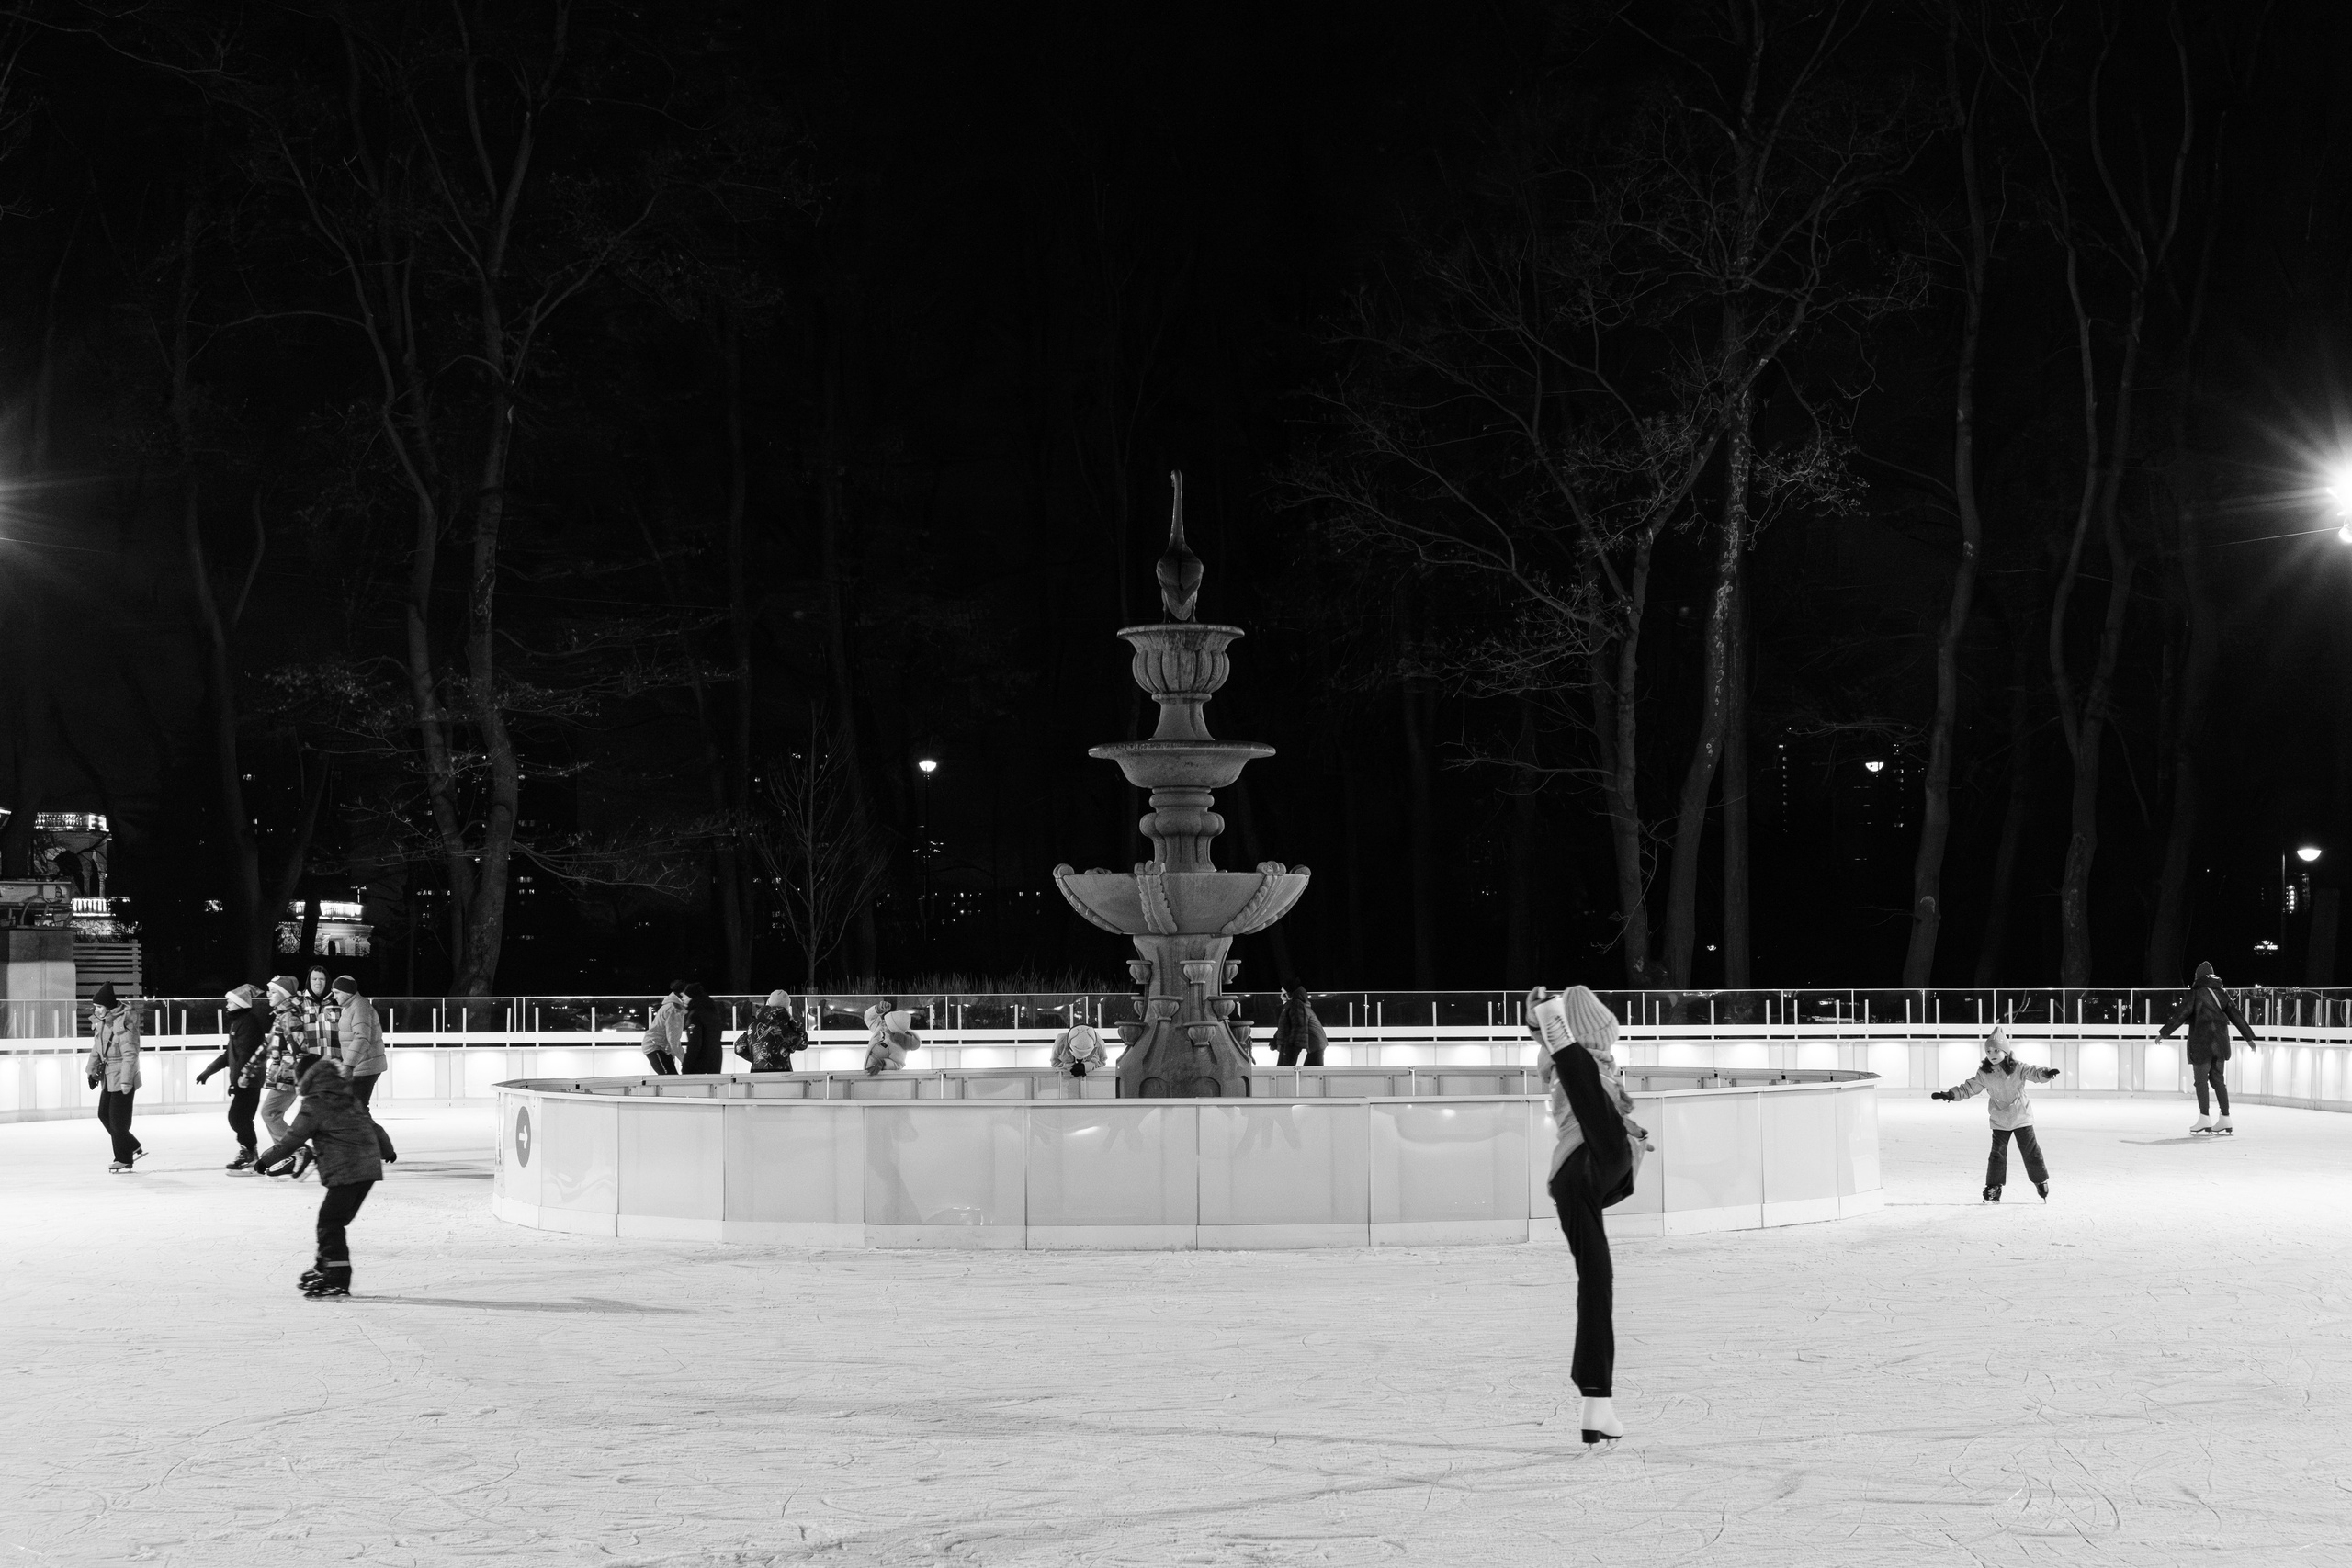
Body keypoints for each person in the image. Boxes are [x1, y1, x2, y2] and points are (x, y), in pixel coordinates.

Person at [1530, 984, 1648, 1448]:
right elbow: (1578, 1066)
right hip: (1594, 1158)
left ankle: (1597, 1400)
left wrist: (1537, 1023)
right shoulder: (1583, 1068)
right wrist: (1551, 1025)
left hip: (1573, 1179)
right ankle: (1596, 1399)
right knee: (1580, 1076)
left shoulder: (1582, 1071)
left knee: (1597, 1281)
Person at [254, 1058, 386, 1298]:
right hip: (368, 1170)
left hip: (347, 1170)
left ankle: (336, 1277)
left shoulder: (315, 1104)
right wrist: (387, 1150)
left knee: (330, 1222)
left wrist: (264, 1160)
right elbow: (374, 1128)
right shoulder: (348, 1098)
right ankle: (326, 1265)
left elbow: (291, 1141)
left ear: (304, 1080)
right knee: (333, 1222)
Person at [1931, 1027, 2063, 1201]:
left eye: (1996, 1050)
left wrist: (2045, 1073)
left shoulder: (2018, 1068)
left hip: (2021, 1117)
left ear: (2005, 1051)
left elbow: (2034, 1072)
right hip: (1999, 1119)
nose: (1991, 1054)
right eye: (1988, 1051)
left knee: (2031, 1151)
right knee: (1997, 1153)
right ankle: (1994, 1186)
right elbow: (1969, 1088)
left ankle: (2040, 1180)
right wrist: (1951, 1094)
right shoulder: (1985, 1073)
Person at [2159, 961, 2259, 1135]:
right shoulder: (2222, 994)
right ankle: (2225, 1117)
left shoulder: (2196, 993)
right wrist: (2249, 1038)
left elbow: (2181, 1014)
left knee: (2200, 1081)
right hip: (2220, 1045)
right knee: (2218, 1079)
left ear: (2198, 977)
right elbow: (2237, 1015)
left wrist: (2164, 1033)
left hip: (2201, 1044)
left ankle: (2204, 1117)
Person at [196, 983, 270, 1169]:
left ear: (239, 1003)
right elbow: (230, 1054)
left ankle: (250, 1152)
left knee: (238, 1118)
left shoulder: (248, 1022)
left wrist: (238, 1081)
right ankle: (249, 1151)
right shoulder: (240, 1022)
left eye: (230, 1001)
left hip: (249, 1080)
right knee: (241, 1118)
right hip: (245, 1079)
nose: (227, 1004)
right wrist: (208, 1071)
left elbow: (245, 1055)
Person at [258, 976, 321, 1176]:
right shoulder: (283, 1014)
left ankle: (297, 1151)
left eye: (273, 991)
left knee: (270, 1112)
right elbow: (269, 1045)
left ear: (284, 994)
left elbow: (300, 1048)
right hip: (284, 1074)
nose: (268, 995)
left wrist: (305, 1078)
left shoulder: (288, 1016)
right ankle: (290, 1155)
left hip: (288, 1076)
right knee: (271, 1113)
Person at [85, 984, 144, 1173]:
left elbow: (130, 1054)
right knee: (104, 1114)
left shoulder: (125, 1021)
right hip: (109, 1077)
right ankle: (131, 1146)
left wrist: (126, 1080)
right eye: (95, 1007)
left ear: (109, 1006)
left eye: (100, 1007)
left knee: (119, 1122)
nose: (97, 1010)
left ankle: (123, 1157)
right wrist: (91, 1071)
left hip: (122, 1076)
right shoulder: (102, 1021)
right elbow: (97, 1048)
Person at [330, 976, 387, 1107]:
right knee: (355, 1108)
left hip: (364, 1066)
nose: (334, 996)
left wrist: (349, 1065)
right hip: (360, 1065)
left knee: (357, 1109)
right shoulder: (349, 1007)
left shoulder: (360, 1007)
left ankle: (368, 1128)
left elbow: (361, 1038)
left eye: (337, 993)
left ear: (347, 992)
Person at [736, 990, 808, 1073]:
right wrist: (793, 1021)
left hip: (757, 1076)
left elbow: (738, 1048)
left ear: (768, 1003)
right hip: (782, 1077)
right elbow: (803, 1043)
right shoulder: (785, 1028)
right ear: (786, 1008)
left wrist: (757, 1058)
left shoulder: (754, 1026)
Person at [1272, 984, 1327, 1067]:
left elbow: (1296, 1027)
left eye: (1283, 992)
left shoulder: (1297, 1005)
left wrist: (1291, 1048)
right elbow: (1287, 1026)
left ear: (1288, 994)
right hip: (1317, 1042)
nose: (1281, 996)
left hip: (1315, 1043)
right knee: (1311, 1072)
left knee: (1312, 1073)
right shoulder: (1299, 1005)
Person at [862, 1000, 920, 1075]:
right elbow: (869, 1018)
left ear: (893, 1028)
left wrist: (883, 1064)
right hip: (868, 1075)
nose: (883, 1023)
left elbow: (898, 1064)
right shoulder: (881, 1031)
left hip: (881, 1081)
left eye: (886, 1023)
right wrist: (879, 1009)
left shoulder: (898, 1046)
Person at [640, 984, 685, 1076]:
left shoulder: (673, 1007)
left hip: (659, 1046)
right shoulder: (673, 1010)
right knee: (669, 1078)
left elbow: (672, 1037)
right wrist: (685, 1060)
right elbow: (673, 1039)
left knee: (670, 1077)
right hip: (655, 1046)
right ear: (683, 994)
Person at [679, 981, 723, 1075]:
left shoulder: (695, 1015)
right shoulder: (713, 1013)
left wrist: (686, 1067)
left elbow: (694, 1043)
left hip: (699, 1066)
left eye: (685, 995)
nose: (682, 998)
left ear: (692, 997)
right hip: (715, 1062)